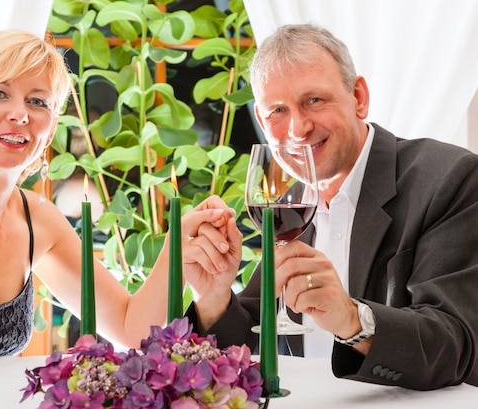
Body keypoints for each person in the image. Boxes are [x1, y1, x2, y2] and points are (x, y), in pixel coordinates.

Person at [0, 29, 235, 377]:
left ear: (50, 128)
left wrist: (176, 249)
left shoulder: (41, 222)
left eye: (37, 102)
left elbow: (131, 329)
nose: (19, 114)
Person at [183, 23, 478, 390]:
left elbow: (456, 344)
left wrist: (354, 320)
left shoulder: (448, 177)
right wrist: (212, 297)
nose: (298, 129)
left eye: (314, 101)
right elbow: (246, 340)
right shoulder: (291, 206)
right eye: (277, 110)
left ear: (358, 97)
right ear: (261, 121)